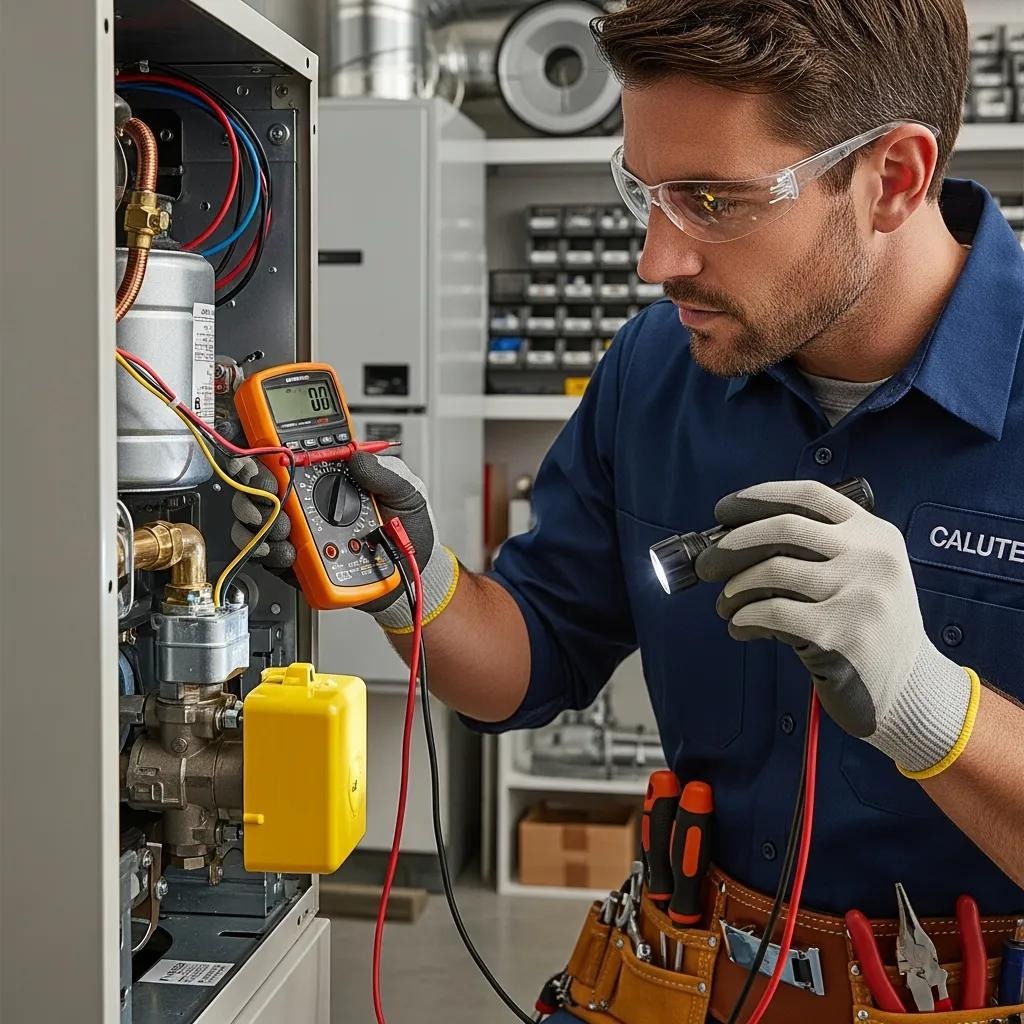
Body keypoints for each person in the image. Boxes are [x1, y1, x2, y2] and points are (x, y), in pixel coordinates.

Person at [232, 0, 1024, 1018]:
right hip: (690, 977)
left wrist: (927, 706)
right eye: (644, 190)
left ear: (892, 179)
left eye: (713, 199)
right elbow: (529, 659)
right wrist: (412, 583)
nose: (656, 260)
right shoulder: (658, 370)